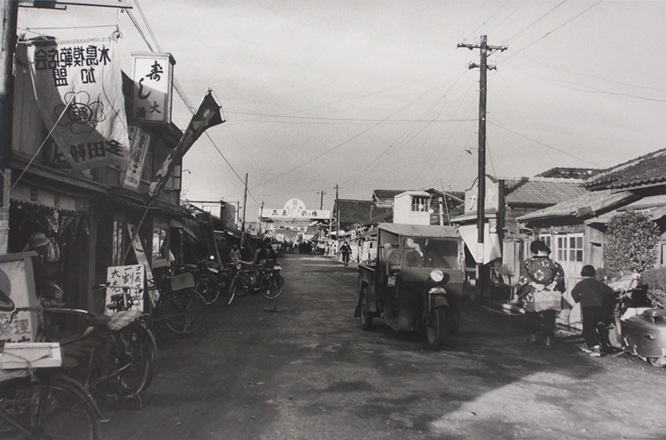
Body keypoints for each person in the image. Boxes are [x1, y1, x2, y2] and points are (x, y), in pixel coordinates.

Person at [516, 240, 565, 349]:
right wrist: (553, 284)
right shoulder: (554, 263)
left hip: (532, 292)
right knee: (549, 317)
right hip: (549, 291)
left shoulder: (528, 262)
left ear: (534, 251)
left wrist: (535, 284)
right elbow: (560, 276)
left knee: (531, 315)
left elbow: (524, 276)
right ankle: (548, 341)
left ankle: (532, 337)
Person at [571, 265, 615, 357]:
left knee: (589, 328)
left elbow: (574, 293)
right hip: (601, 308)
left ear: (582, 273)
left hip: (588, 308)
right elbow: (609, 291)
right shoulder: (598, 283)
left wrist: (579, 300)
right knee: (599, 326)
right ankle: (603, 345)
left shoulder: (580, 284)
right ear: (594, 274)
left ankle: (595, 348)